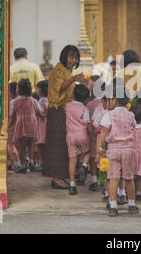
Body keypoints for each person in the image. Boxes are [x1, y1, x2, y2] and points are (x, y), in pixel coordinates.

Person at [43, 45, 85, 189]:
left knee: (63, 145)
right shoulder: (59, 70)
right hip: (57, 110)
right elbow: (59, 88)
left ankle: (60, 176)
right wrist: (73, 79)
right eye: (71, 57)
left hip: (64, 111)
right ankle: (56, 178)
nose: (74, 60)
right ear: (64, 56)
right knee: (58, 144)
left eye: (76, 58)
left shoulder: (66, 71)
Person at [98, 84, 139, 217]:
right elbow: (135, 129)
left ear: (114, 100)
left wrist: (100, 146)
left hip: (113, 149)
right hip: (128, 149)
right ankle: (132, 205)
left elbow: (104, 130)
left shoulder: (109, 114)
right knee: (129, 178)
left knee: (113, 178)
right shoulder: (131, 114)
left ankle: (113, 206)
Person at [10, 78, 45, 174]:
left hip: (21, 124)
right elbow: (40, 113)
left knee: (21, 146)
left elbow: (12, 116)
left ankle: (22, 165)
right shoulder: (33, 100)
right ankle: (31, 162)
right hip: (32, 124)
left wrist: (9, 126)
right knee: (29, 144)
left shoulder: (15, 101)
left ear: (18, 89)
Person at [65, 84, 94, 195]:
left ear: (73, 94)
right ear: (86, 97)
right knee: (87, 151)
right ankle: (84, 165)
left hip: (70, 136)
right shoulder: (84, 109)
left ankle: (72, 185)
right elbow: (87, 124)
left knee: (72, 160)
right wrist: (92, 132)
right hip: (82, 134)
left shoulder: (67, 106)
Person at [86, 75, 103, 191]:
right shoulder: (108, 102)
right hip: (104, 134)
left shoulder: (89, 105)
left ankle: (94, 179)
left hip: (93, 133)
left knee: (93, 156)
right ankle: (103, 180)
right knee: (103, 156)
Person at [131, 103, 141, 201]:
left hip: (131, 154)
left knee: (130, 176)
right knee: (140, 176)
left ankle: (129, 192)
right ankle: (139, 192)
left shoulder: (130, 129)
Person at [33, 80, 48, 171]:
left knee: (41, 144)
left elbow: (41, 112)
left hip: (42, 124)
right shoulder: (50, 99)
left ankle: (43, 163)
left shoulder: (41, 100)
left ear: (41, 90)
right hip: (48, 123)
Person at [7, 82, 20, 171]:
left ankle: (17, 164)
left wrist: (8, 126)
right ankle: (11, 163)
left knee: (10, 146)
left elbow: (12, 117)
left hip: (12, 126)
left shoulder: (12, 102)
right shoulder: (20, 100)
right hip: (19, 125)